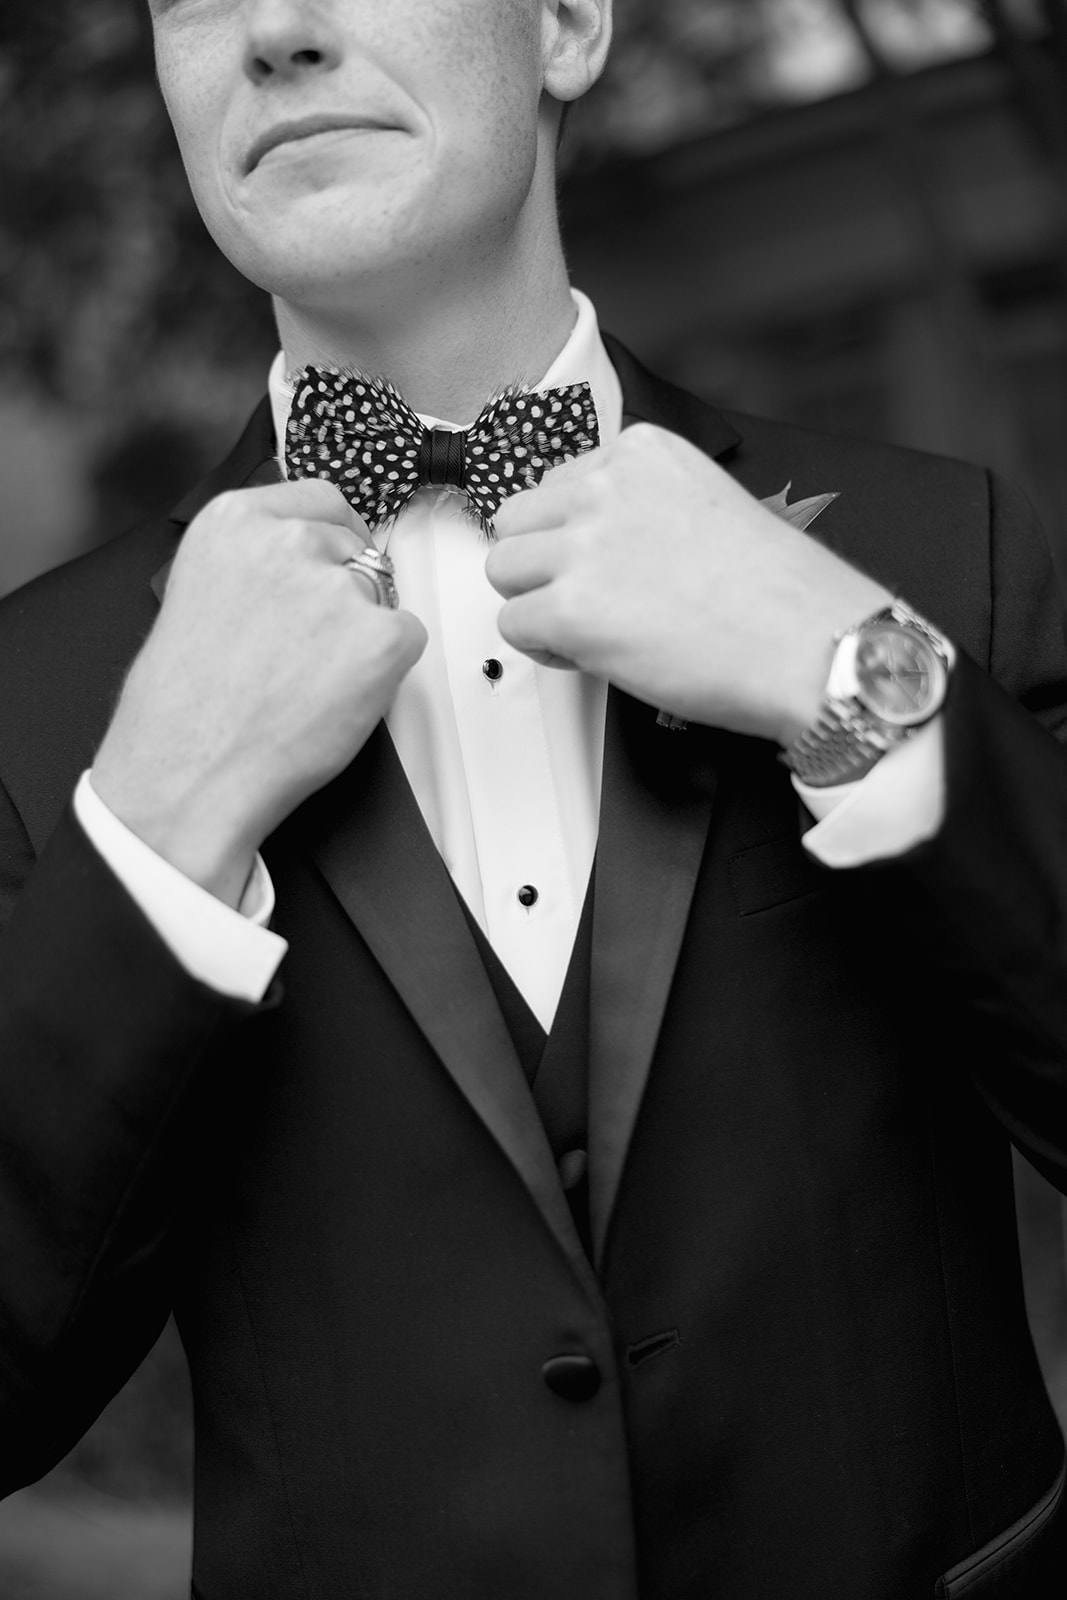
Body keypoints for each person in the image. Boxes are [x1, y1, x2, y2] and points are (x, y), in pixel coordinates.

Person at [1, 1, 1066, 1595]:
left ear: (566, 25)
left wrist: (847, 674)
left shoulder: (932, 554)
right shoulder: (39, 692)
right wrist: (154, 827)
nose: (276, 30)